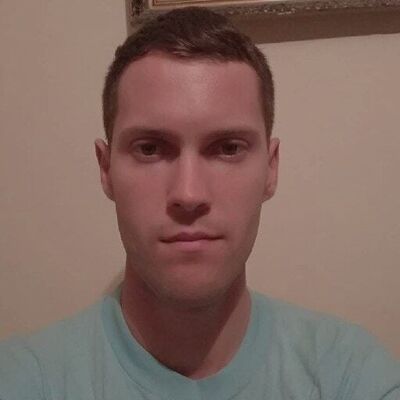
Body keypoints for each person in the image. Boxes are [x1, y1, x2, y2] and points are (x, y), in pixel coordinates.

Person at [0, 6, 399, 399]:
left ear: (271, 168)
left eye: (228, 148)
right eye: (150, 148)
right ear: (106, 169)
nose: (189, 194)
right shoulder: (26, 378)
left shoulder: (349, 374)